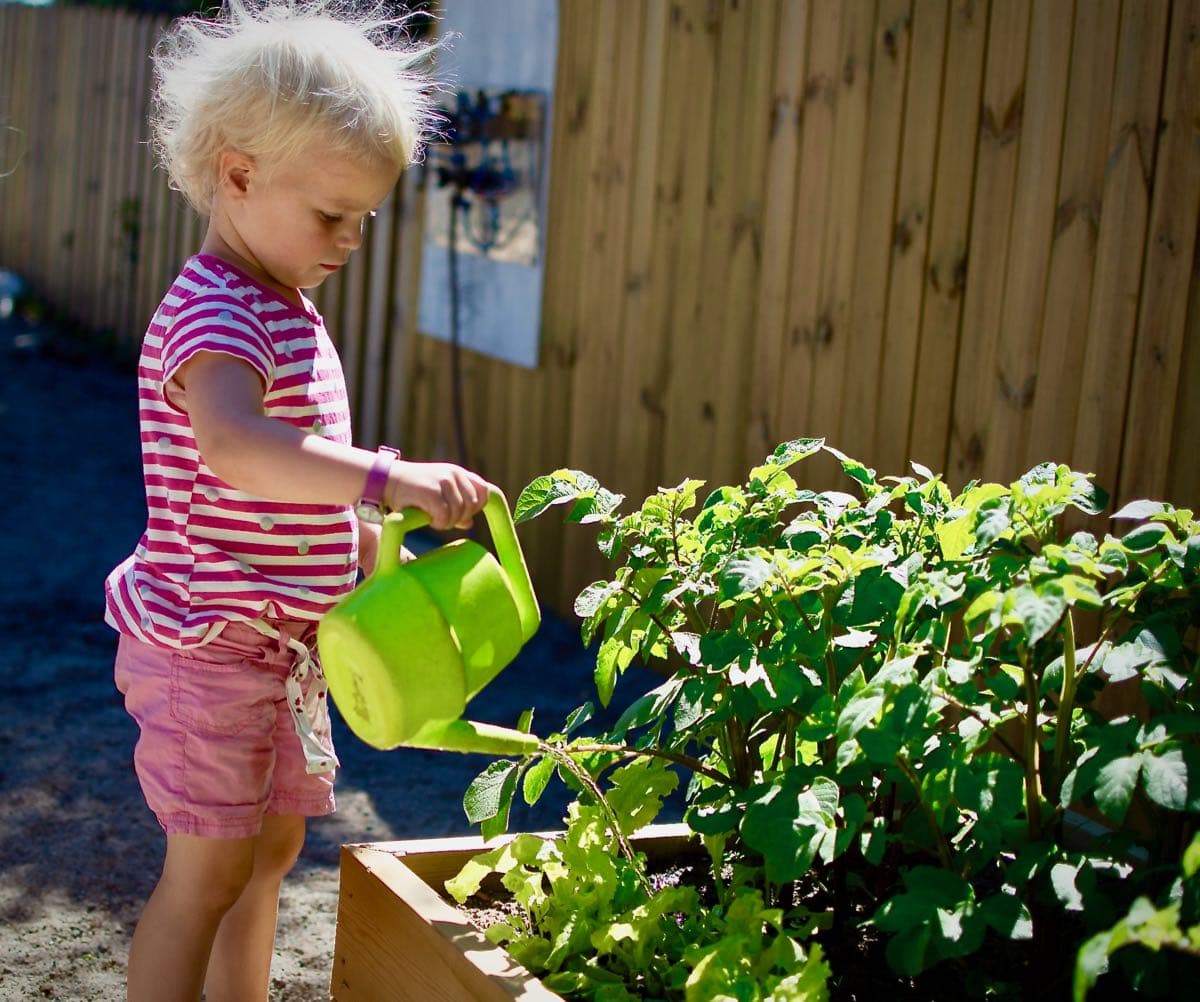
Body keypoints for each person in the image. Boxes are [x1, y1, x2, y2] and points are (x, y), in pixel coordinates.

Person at [103, 3, 491, 999]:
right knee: (208, 867)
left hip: (278, 647)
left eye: (366, 216)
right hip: (206, 646)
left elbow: (288, 497)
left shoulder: (285, 308)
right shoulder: (215, 312)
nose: (352, 238)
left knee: (269, 849)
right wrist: (385, 475)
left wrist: (367, 544)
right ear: (238, 176)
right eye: (332, 215)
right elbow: (236, 448)